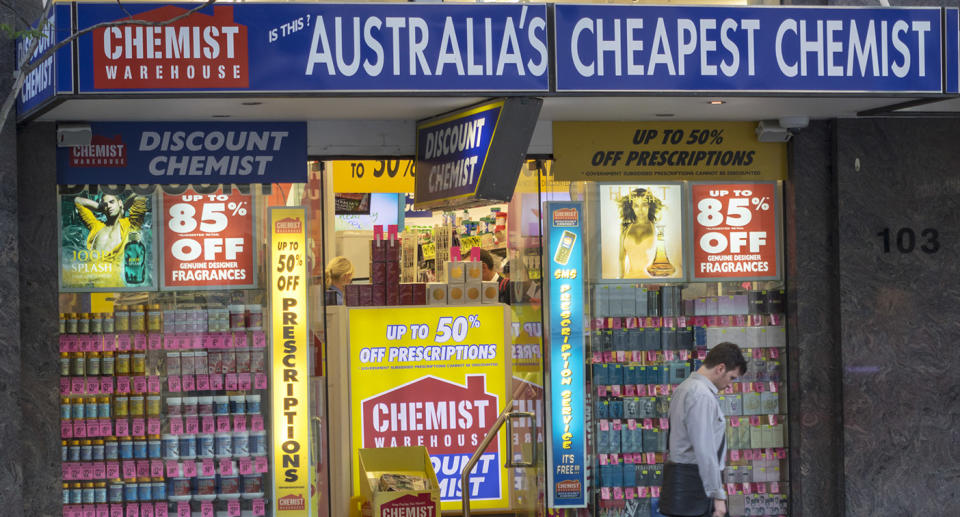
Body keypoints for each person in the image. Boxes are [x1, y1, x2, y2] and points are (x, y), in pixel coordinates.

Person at [661, 342, 747, 517]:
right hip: (695, 487)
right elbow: (705, 449)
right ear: (720, 368)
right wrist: (717, 496)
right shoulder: (701, 395)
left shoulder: (685, 388)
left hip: (685, 484)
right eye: (731, 377)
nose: (730, 385)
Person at [73, 193, 148, 286]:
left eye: (112, 202)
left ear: (119, 203)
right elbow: (77, 201)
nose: (108, 206)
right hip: (87, 279)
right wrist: (100, 207)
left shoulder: (131, 225)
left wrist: (123, 206)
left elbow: (139, 194)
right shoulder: (96, 226)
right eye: (105, 204)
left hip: (110, 282)